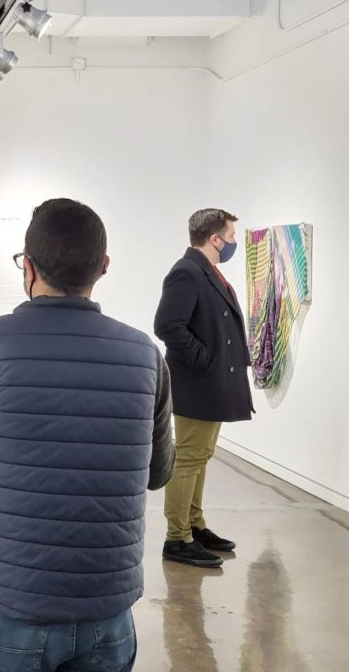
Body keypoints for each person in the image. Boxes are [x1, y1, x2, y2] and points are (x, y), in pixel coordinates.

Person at [0, 198, 174, 672]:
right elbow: (158, 473)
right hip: (107, 608)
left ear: (27, 267)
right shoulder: (146, 356)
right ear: (104, 267)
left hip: (12, 604)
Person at [154, 208, 253, 568]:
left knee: (202, 455)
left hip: (212, 384)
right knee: (190, 457)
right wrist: (205, 361)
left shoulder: (206, 271)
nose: (233, 244)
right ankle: (177, 538)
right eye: (231, 237)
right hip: (198, 384)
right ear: (214, 238)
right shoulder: (187, 271)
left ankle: (194, 525)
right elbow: (167, 325)